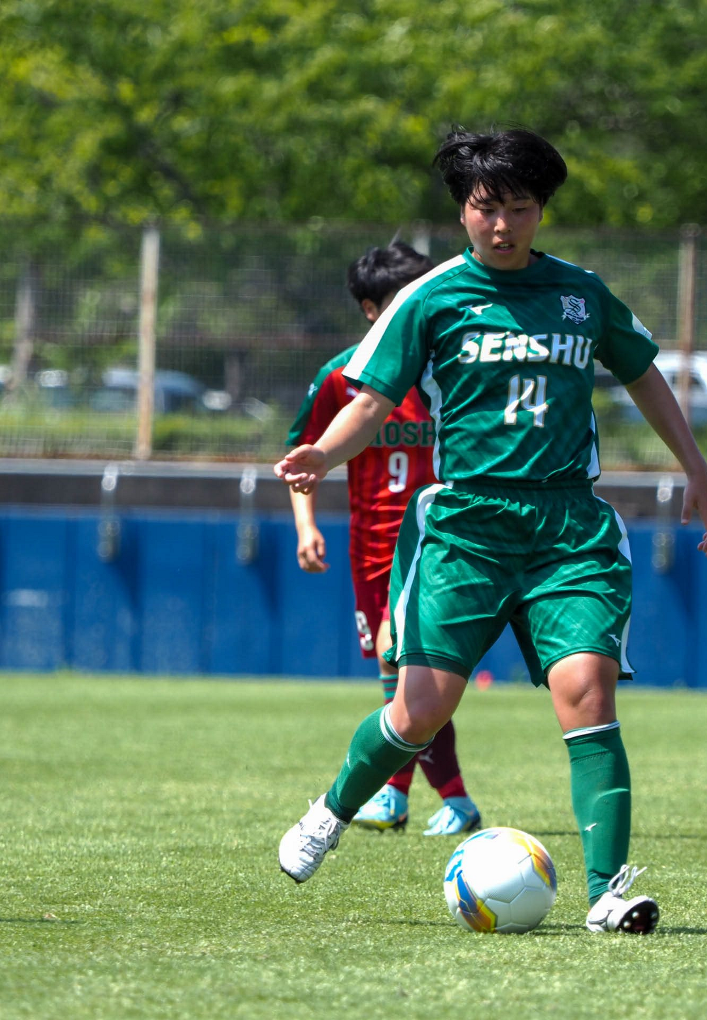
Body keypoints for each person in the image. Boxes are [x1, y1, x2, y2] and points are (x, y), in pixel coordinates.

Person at [274, 127, 707, 934]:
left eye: (520, 207)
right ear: (463, 212)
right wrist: (324, 455)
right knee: (419, 712)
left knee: (587, 692)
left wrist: (694, 465)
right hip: (468, 528)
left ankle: (608, 893)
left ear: (542, 209)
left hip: (568, 529)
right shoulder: (431, 297)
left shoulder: (581, 294)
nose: (503, 224)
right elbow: (371, 401)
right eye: (488, 208)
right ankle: (332, 811)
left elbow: (643, 374)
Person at [285, 242, 482, 837]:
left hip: (445, 542)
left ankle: (446, 797)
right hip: (373, 550)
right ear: (371, 309)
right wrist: (306, 525)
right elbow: (303, 457)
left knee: (411, 668)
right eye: (401, 296)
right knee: (398, 675)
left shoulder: (453, 366)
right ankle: (402, 795)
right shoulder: (343, 378)